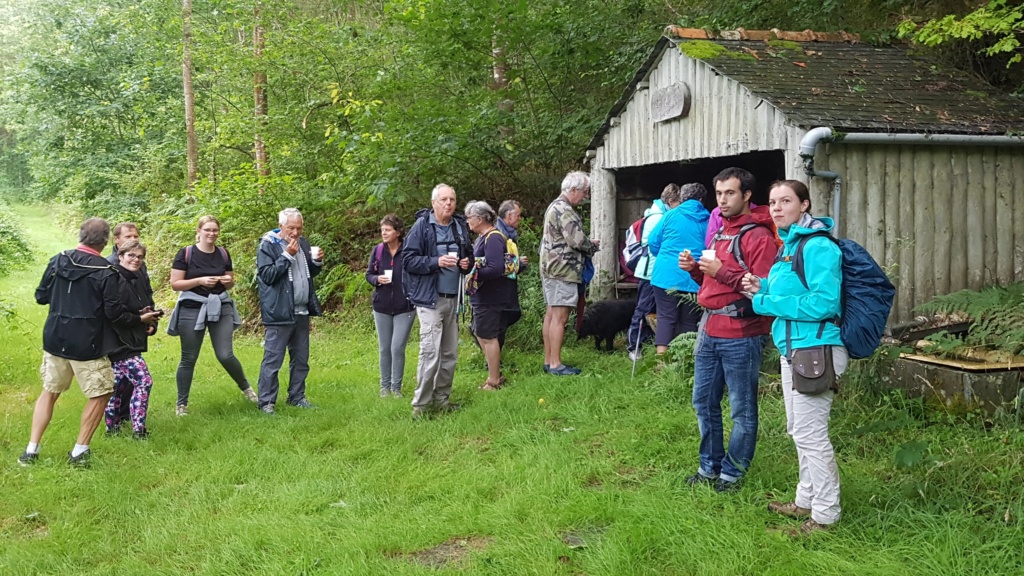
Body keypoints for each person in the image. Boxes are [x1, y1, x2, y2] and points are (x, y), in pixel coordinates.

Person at [742, 180, 846, 536]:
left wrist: (764, 302)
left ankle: (825, 515)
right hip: (795, 349)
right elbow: (792, 291)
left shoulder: (818, 247)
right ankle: (806, 499)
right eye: (772, 202)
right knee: (798, 430)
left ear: (804, 205)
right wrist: (763, 286)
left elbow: (824, 303)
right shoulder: (790, 245)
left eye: (785, 201)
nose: (776, 208)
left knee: (811, 434)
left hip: (816, 348)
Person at [678, 167, 776, 493]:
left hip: (742, 331)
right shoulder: (721, 232)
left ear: (747, 195)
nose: (723, 200)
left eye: (730, 193)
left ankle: (732, 475)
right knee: (703, 402)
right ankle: (709, 468)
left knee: (741, 409)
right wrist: (697, 271)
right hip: (710, 328)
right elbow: (711, 286)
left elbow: (762, 293)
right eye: (719, 193)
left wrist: (723, 272)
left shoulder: (759, 237)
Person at [19, 218, 120, 468]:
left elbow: (41, 296)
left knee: (50, 390)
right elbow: (113, 313)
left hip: (55, 338)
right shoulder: (106, 271)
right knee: (101, 393)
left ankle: (31, 450)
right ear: (106, 241)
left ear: (81, 235)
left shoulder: (58, 259)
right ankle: (79, 450)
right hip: (88, 344)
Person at [167, 215, 256, 416]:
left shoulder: (223, 253)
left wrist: (226, 281)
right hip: (191, 308)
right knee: (188, 357)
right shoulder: (186, 253)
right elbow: (175, 284)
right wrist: (199, 281)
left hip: (220, 306)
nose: (211, 233)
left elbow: (231, 280)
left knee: (225, 354)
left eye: (215, 230)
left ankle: (248, 390)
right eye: (207, 229)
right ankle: (182, 404)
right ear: (198, 231)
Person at [403, 183, 472, 419]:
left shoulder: (459, 225)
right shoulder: (422, 227)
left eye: (452, 199)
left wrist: (466, 263)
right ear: (434, 203)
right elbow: (409, 260)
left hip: (453, 299)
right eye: (443, 199)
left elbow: (468, 255)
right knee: (430, 353)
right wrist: (435, 262)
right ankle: (420, 407)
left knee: (450, 353)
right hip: (430, 300)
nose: (448, 203)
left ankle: (442, 400)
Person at [255, 208, 324, 415]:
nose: (295, 233)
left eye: (299, 228)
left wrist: (317, 262)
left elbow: (307, 273)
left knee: (301, 358)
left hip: (301, 311)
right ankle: (266, 402)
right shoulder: (268, 245)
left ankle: (297, 397)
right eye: (291, 228)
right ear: (281, 226)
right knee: (273, 360)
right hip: (280, 312)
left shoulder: (302, 243)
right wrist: (287, 255)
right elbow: (267, 276)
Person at [540, 171, 599, 376]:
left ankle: (549, 360)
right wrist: (591, 245)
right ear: (572, 190)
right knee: (560, 318)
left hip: (552, 268)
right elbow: (576, 240)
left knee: (550, 315)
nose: (585, 196)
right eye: (584, 192)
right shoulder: (564, 210)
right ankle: (556, 364)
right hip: (563, 270)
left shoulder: (554, 206)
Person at [105, 240, 160, 439]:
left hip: (131, 339)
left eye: (139, 257)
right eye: (131, 255)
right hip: (118, 342)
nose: (136, 260)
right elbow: (113, 315)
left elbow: (144, 304)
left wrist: (150, 321)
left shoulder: (138, 278)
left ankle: (111, 429)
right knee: (144, 381)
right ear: (120, 256)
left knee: (117, 387)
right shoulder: (114, 278)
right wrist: (139, 319)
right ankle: (139, 431)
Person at [647, 183, 710, 356]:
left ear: (682, 198)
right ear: (702, 200)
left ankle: (661, 360)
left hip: (665, 275)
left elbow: (653, 241)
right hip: (694, 277)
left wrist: (664, 256)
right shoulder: (710, 219)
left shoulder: (670, 215)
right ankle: (683, 359)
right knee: (689, 321)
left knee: (665, 317)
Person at [627, 184, 678, 360]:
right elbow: (656, 246)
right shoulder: (658, 218)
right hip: (650, 272)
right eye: (679, 202)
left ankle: (646, 342)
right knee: (643, 309)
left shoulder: (659, 215)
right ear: (671, 201)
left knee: (653, 310)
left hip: (654, 272)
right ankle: (634, 347)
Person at [466, 201, 513, 390]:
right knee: (479, 332)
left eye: (469, 217)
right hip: (482, 295)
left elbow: (495, 268)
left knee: (489, 335)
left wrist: (472, 272)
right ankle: (494, 374)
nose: (467, 221)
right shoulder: (482, 237)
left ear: (480, 218)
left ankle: (494, 380)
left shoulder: (493, 238)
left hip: (491, 295)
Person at [367, 214, 415, 398]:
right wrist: (377, 279)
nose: (383, 233)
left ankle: (396, 388)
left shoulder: (409, 250)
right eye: (382, 230)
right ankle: (384, 387)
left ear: (398, 232)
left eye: (387, 230)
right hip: (382, 306)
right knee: (384, 348)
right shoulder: (378, 251)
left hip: (406, 306)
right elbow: (369, 274)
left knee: (397, 347)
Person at [496, 200, 527, 350]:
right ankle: (493, 360)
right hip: (500, 288)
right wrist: (518, 263)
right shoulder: (499, 234)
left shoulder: (509, 233)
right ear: (509, 216)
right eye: (518, 216)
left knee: (511, 315)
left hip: (508, 285)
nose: (520, 219)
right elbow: (499, 263)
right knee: (501, 320)